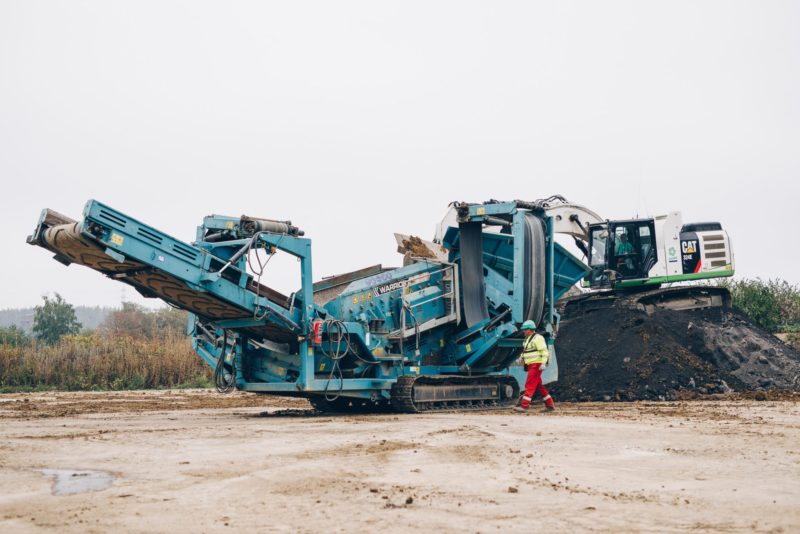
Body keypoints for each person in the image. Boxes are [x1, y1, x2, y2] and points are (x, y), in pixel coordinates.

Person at [514, 320, 555, 413]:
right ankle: (550, 405)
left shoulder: (538, 338)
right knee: (539, 386)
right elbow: (527, 350)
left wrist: (543, 363)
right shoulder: (528, 338)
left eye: (525, 329)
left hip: (536, 365)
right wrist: (521, 358)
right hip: (531, 364)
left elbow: (544, 351)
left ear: (530, 329)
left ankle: (524, 406)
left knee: (529, 384)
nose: (523, 331)